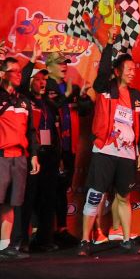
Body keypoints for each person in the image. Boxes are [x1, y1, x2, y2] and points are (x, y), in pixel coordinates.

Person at [77, 35, 140, 257]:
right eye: (128, 69)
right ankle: (84, 240)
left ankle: (126, 240)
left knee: (124, 197)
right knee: (95, 195)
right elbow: (102, 73)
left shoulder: (136, 96)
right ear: (117, 71)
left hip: (127, 154)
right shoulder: (105, 88)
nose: (133, 72)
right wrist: (109, 45)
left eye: (134, 69)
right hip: (105, 150)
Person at [47, 53, 92, 245]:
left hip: (69, 148)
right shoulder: (45, 85)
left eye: (65, 63)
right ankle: (45, 233)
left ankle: (62, 229)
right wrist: (65, 97)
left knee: (63, 189)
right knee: (49, 190)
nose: (63, 66)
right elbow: (49, 109)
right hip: (50, 148)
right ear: (49, 67)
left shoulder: (71, 87)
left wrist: (83, 96)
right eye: (59, 63)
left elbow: (85, 111)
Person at [0, 59, 39, 260]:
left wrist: (34, 155)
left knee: (13, 203)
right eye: (13, 71)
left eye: (20, 71)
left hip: (20, 158)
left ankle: (7, 246)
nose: (18, 74)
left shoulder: (24, 101)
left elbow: (31, 131)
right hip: (2, 156)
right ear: (2, 74)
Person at [20, 69, 61, 252]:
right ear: (30, 81)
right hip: (32, 155)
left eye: (44, 79)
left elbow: (55, 132)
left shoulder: (50, 105)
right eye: (38, 79)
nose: (42, 82)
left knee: (48, 199)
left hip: (49, 156)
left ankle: (45, 239)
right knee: (28, 199)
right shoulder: (24, 101)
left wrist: (58, 156)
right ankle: (22, 240)